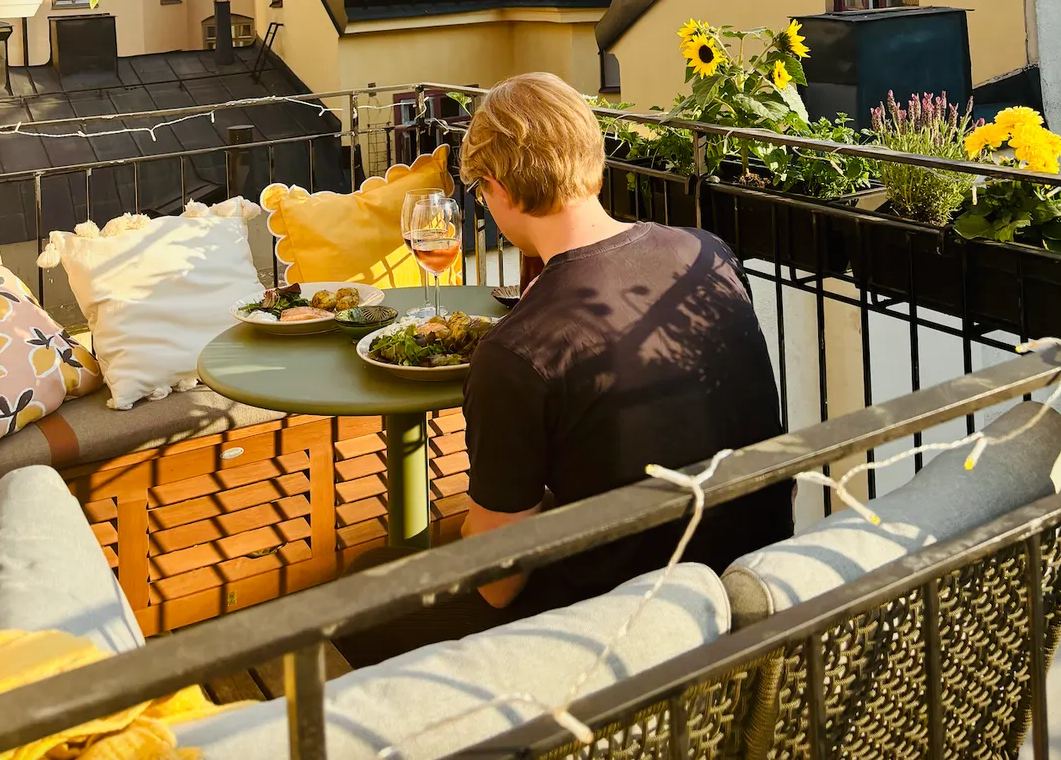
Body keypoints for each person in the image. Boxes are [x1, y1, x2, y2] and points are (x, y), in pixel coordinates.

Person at [338, 71, 791, 662]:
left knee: (356, 590)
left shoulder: (516, 351)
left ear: (498, 188)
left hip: (617, 631)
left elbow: (498, 584)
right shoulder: (706, 253)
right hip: (752, 585)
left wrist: (474, 530)